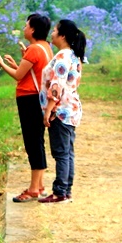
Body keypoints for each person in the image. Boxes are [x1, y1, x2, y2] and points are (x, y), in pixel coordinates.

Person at [0, 13, 53, 202]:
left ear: (33, 29)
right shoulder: (45, 48)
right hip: (38, 99)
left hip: (29, 99)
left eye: (27, 25)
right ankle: (39, 185)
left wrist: (1, 63)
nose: (24, 28)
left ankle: (34, 188)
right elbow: (31, 71)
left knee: (32, 142)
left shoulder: (34, 49)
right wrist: (18, 61)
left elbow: (19, 76)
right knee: (37, 141)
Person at [38, 18, 85, 204]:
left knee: (61, 153)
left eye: (55, 31)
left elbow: (56, 85)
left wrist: (49, 110)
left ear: (62, 35)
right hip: (70, 109)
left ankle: (59, 192)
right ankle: (66, 190)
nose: (52, 33)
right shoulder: (73, 56)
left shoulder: (62, 57)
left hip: (61, 111)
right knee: (67, 152)